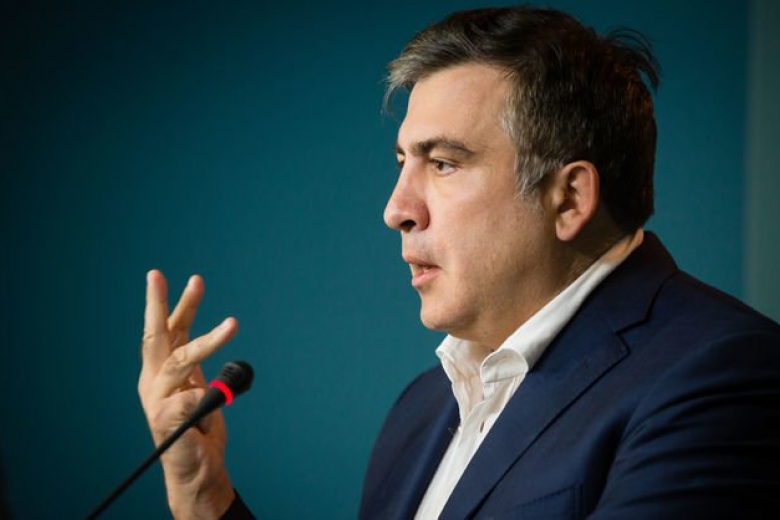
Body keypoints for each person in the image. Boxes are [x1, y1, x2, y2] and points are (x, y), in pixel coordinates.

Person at [138, 6, 780, 519]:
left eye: (443, 163)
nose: (396, 209)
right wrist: (205, 500)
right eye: (402, 163)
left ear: (569, 198)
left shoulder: (722, 377)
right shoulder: (420, 412)